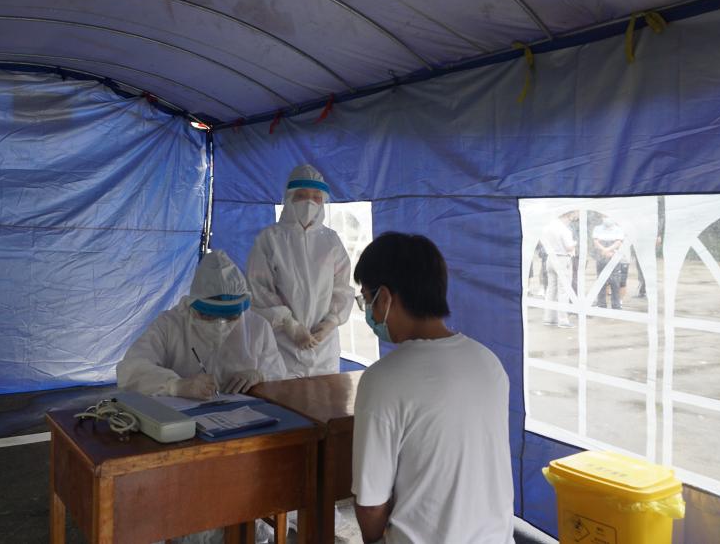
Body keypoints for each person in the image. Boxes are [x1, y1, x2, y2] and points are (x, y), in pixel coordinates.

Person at [351, 233, 514, 544]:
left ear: (384, 298)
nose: (370, 313)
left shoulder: (383, 379)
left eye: (366, 300)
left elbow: (371, 506)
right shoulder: (488, 362)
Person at [117, 250, 286, 399]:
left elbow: (280, 374)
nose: (220, 324)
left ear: (242, 309)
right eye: (209, 316)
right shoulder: (169, 325)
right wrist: (174, 385)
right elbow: (130, 370)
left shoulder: (258, 327)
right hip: (179, 419)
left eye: (230, 317)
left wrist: (261, 375)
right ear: (193, 306)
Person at [247, 164, 355, 377]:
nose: (309, 202)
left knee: (324, 396)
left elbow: (342, 287)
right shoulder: (270, 239)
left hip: (324, 348)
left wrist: (331, 322)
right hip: (282, 345)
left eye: (316, 196)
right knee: (284, 395)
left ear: (323, 201)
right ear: (289, 198)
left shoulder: (331, 241)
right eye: (302, 195)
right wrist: (289, 324)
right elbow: (259, 289)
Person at [540, 211, 578, 327]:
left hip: (550, 259)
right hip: (562, 259)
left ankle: (549, 318)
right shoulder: (565, 230)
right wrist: (575, 243)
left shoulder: (547, 227)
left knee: (551, 290)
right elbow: (569, 247)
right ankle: (563, 320)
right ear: (568, 215)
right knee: (563, 291)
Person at [592, 216, 625, 309]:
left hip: (614, 255)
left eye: (609, 217)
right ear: (602, 217)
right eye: (605, 216)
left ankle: (616, 306)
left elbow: (618, 242)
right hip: (601, 256)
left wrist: (608, 250)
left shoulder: (618, 229)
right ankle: (601, 304)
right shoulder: (597, 228)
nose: (607, 219)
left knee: (615, 281)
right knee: (600, 281)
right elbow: (596, 242)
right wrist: (604, 250)